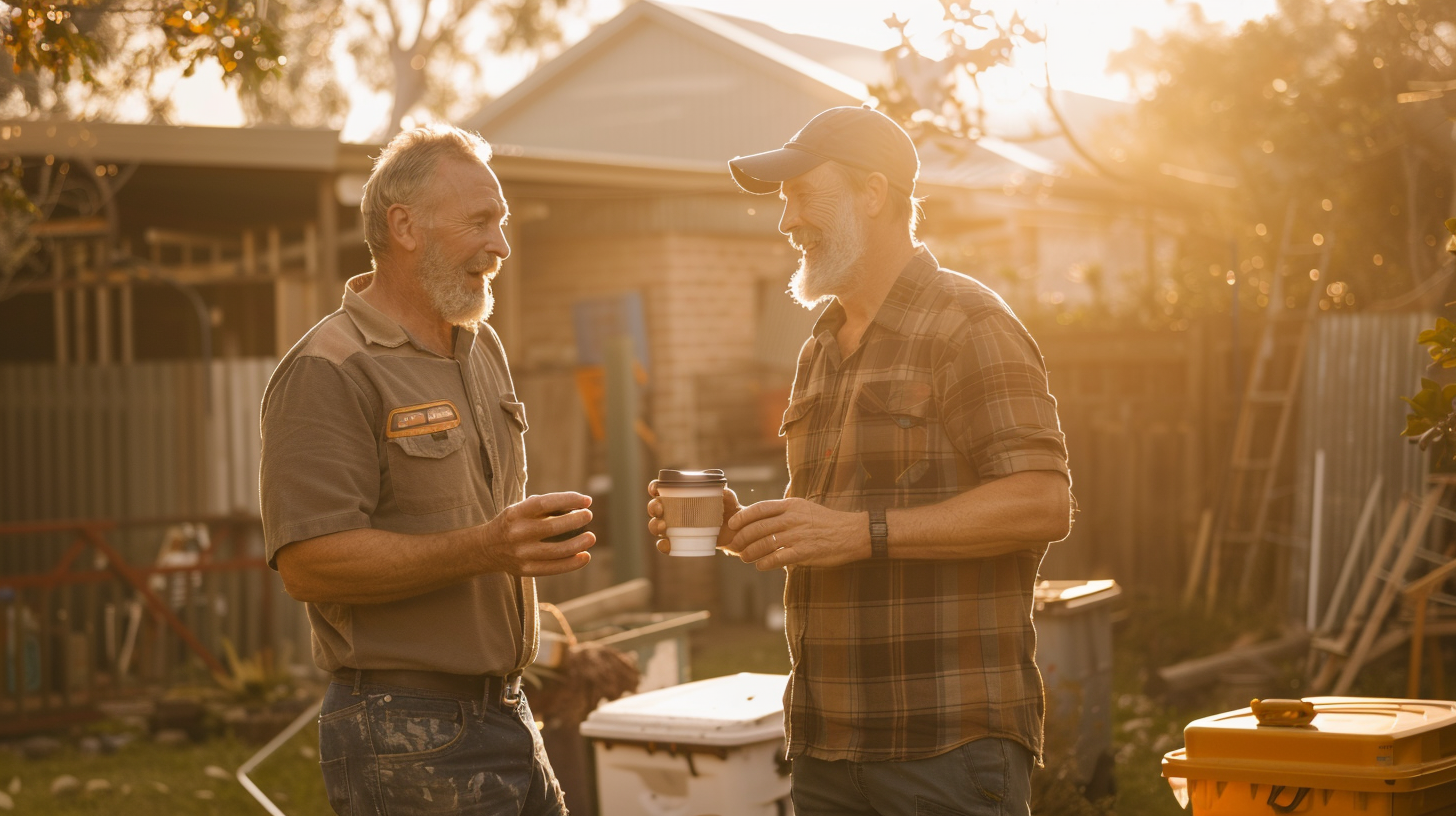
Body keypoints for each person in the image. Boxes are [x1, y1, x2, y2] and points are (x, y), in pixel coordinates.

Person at [647, 107, 1072, 816]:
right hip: (826, 746)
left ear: (873, 194)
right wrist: (741, 529)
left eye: (801, 194)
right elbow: (830, 523)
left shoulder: (968, 324)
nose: (787, 221)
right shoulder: (821, 348)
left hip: (945, 746)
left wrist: (863, 533)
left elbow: (1041, 502)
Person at [260, 124, 595, 816]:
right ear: (404, 226)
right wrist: (489, 547)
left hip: (507, 709)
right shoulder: (329, 368)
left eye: (500, 222)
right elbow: (309, 566)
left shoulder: (478, 347)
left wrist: (528, 574)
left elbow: (483, 526)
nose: (501, 246)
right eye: (480, 221)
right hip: (402, 728)